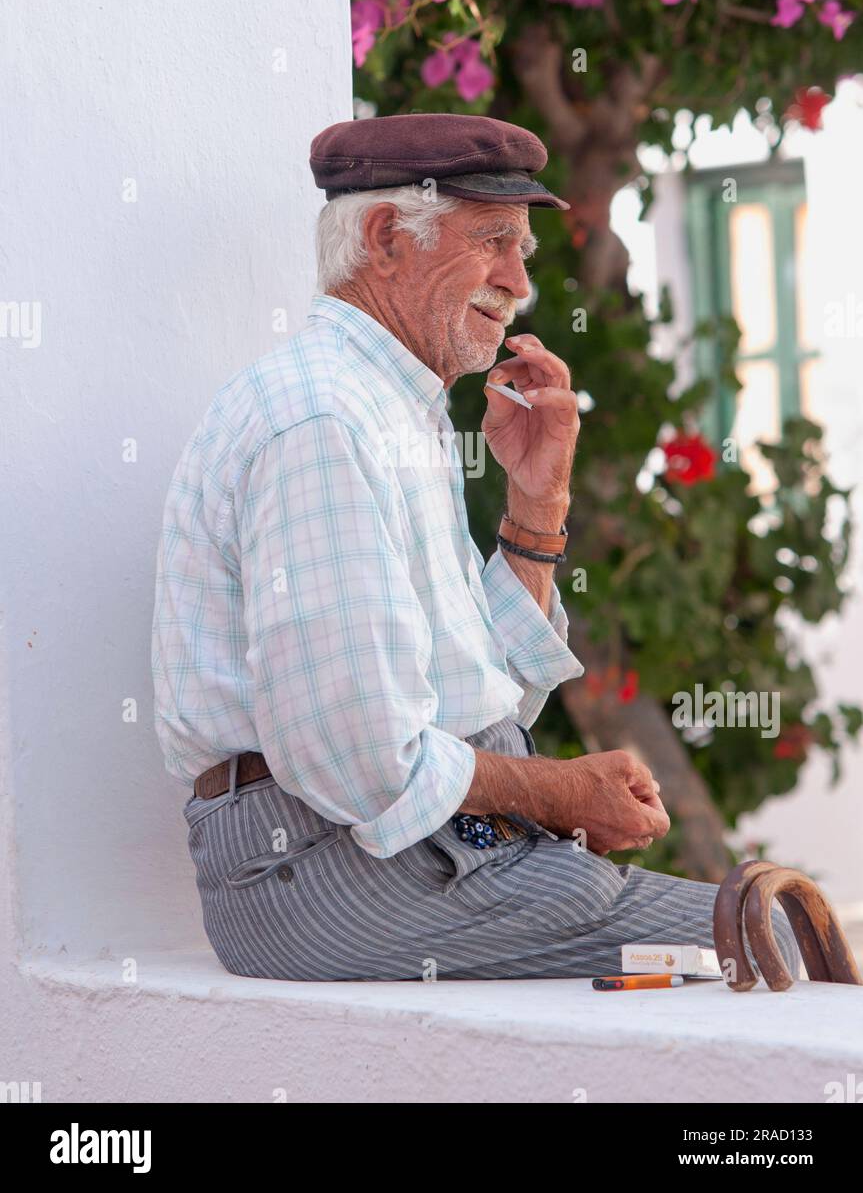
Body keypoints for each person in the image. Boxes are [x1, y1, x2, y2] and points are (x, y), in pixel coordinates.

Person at [151, 112, 799, 982]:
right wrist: (561, 794)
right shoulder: (324, 417)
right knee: (783, 946)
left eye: (523, 249)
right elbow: (359, 758)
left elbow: (489, 689)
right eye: (495, 240)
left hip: (410, 852)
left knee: (774, 937)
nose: (519, 282)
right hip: (323, 868)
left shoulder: (387, 407)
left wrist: (537, 506)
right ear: (385, 239)